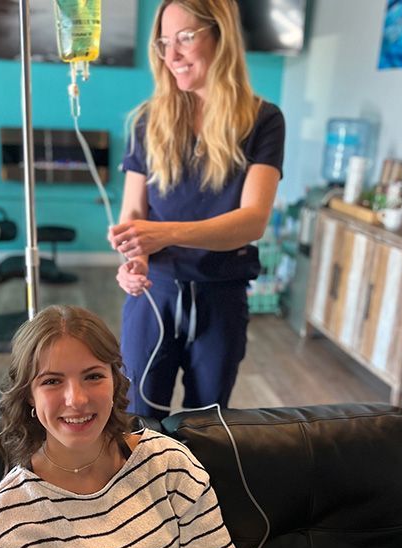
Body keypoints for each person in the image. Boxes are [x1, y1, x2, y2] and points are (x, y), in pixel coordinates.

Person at [0, 305, 250, 548]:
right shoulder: (2, 527)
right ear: (28, 398)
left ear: (115, 383)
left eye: (93, 376)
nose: (77, 399)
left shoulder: (169, 465)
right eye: (52, 381)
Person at [108, 0, 285, 418]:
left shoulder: (263, 121)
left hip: (220, 296)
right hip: (155, 295)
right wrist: (134, 257)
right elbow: (133, 211)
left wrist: (164, 233)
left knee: (206, 422)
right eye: (164, 43)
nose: (172, 56)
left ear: (220, 36)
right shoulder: (147, 122)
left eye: (185, 38)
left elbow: (253, 220)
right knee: (136, 418)